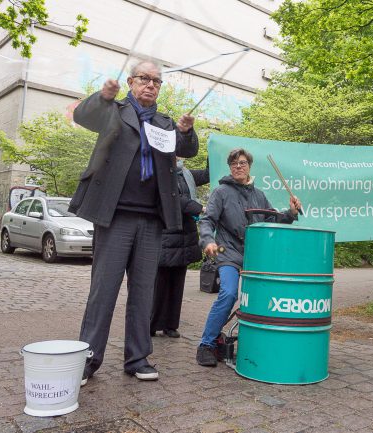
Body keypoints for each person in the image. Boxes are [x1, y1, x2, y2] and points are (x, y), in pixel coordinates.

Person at [69, 60, 199, 385]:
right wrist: (102, 96)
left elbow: (188, 149)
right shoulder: (114, 110)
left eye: (157, 81)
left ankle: (138, 358)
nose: (151, 85)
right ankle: (88, 359)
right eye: (145, 78)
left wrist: (186, 130)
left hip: (152, 219)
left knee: (143, 291)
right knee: (104, 290)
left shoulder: (164, 122)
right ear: (131, 81)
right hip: (114, 216)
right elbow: (83, 116)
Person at [195, 148, 302, 367]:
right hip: (228, 254)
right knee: (227, 293)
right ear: (230, 168)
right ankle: (206, 345)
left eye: (242, 163)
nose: (238, 167)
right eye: (234, 163)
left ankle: (255, 340)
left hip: (255, 257)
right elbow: (207, 220)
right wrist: (208, 241)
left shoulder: (258, 194)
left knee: (263, 297)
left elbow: (272, 220)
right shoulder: (221, 192)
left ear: (249, 166)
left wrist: (290, 213)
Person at [150, 158, 209, 338]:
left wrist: (213, 151)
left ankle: (170, 325)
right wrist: (201, 208)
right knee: (159, 284)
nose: (177, 157)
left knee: (177, 284)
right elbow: (177, 199)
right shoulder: (159, 174)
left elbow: (208, 174)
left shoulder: (187, 174)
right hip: (167, 234)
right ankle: (150, 324)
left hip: (185, 237)